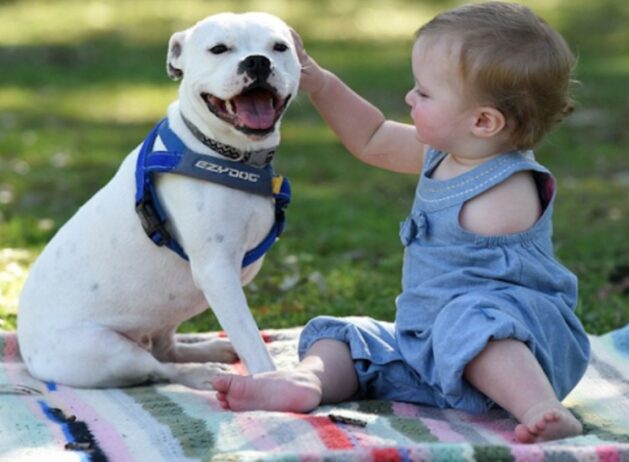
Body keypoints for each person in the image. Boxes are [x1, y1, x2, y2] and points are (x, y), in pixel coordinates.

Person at [212, 2, 590, 443]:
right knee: (347, 338)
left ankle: (538, 406)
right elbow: (371, 138)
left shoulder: (509, 187)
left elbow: (491, 293)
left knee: (472, 324)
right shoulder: (447, 153)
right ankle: (307, 382)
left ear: (483, 121)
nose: (410, 97)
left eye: (424, 93)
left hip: (520, 346)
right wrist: (318, 82)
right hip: (426, 349)